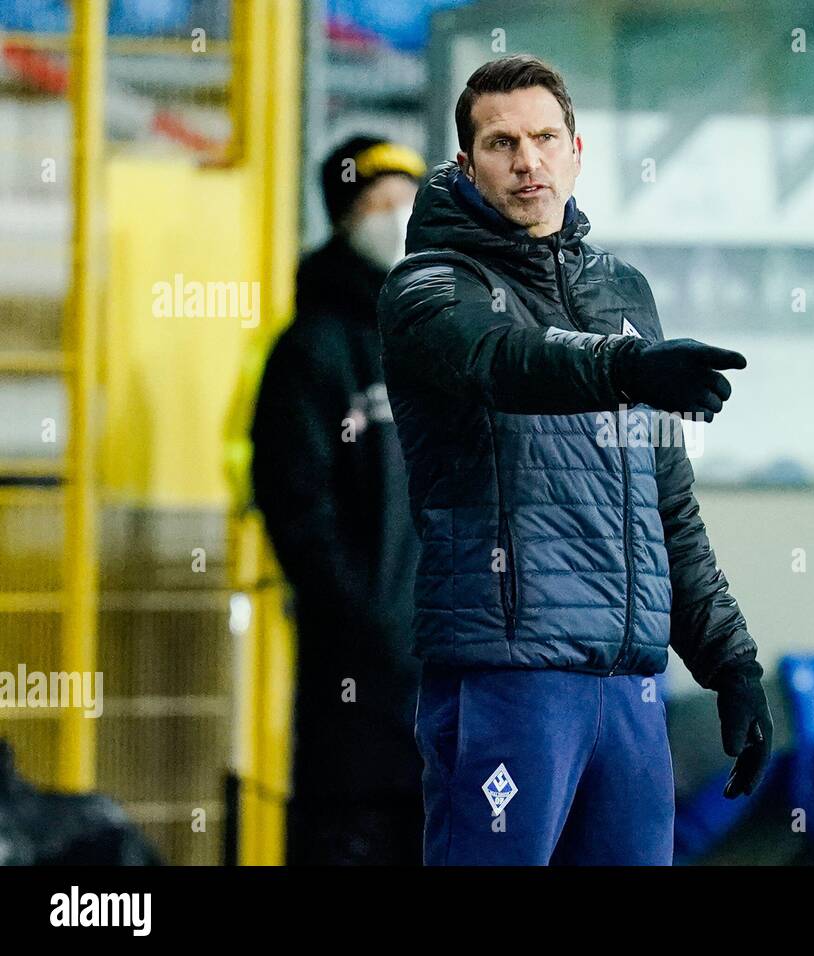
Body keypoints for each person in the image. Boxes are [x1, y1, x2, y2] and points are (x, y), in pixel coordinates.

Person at [377, 54, 772, 866]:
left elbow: (668, 507)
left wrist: (729, 660)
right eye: (501, 143)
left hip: (629, 684)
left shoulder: (624, 291)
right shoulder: (427, 287)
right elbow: (500, 359)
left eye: (545, 138)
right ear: (466, 163)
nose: (528, 161)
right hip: (506, 673)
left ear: (577, 151)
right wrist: (627, 368)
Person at [250, 134, 428, 864]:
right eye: (376, 203)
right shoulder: (313, 350)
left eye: (407, 202)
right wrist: (369, 621)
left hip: (451, 671)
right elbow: (299, 510)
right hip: (355, 677)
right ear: (343, 218)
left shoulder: (444, 338)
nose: (396, 218)